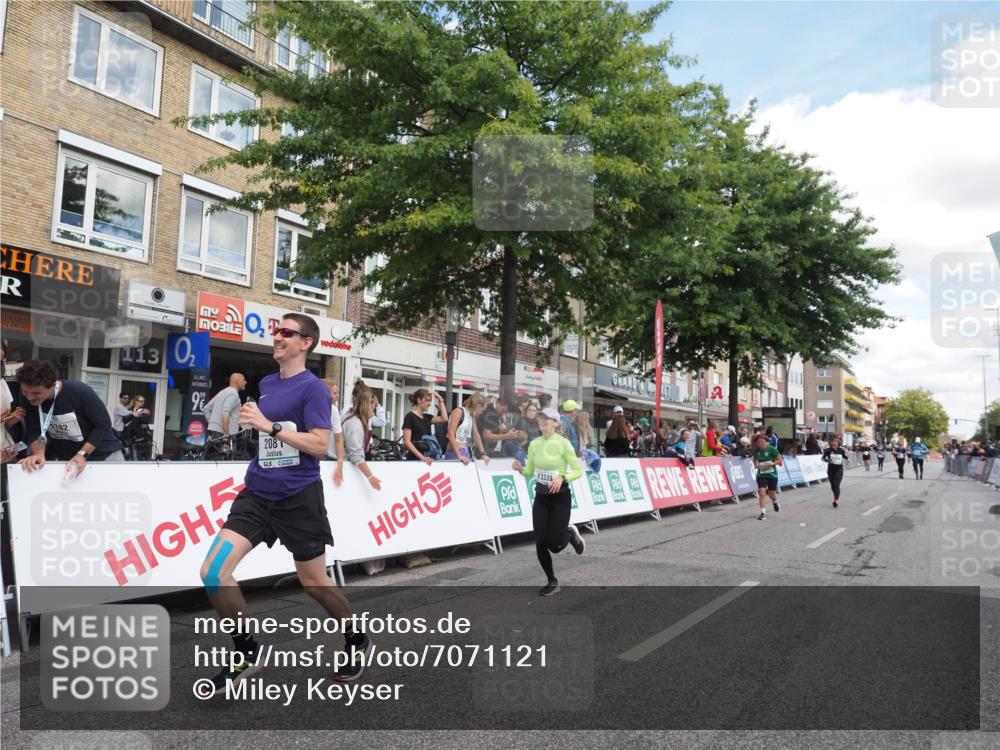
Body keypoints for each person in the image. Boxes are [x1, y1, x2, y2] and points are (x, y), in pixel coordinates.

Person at [198, 314, 370, 694]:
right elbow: (267, 434)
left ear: (306, 343)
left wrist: (270, 426)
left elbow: (317, 445)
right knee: (213, 572)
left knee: (314, 583)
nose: (277, 337)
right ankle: (246, 651)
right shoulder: (268, 383)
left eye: (286, 332)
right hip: (258, 493)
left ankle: (356, 638)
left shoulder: (314, 389)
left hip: (298, 498)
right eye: (276, 331)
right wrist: (254, 425)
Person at [511, 407, 586, 596]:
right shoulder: (535, 444)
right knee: (540, 541)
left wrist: (562, 478)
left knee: (555, 545)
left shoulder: (563, 444)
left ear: (556, 423)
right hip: (541, 497)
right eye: (541, 418)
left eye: (547, 419)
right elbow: (530, 471)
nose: (543, 421)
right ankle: (552, 581)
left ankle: (570, 534)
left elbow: (578, 471)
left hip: (560, 497)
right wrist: (521, 469)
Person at [16, 359, 124, 473]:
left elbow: (103, 425)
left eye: (36, 393)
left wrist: (82, 454)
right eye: (25, 392)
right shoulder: (27, 397)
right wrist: (38, 454)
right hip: (67, 459)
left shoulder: (79, 391)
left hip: (104, 455)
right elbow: (34, 429)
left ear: (53, 384)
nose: (29, 397)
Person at [343, 383, 383, 490]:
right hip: (345, 469)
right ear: (368, 404)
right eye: (375, 404)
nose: (375, 408)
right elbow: (355, 453)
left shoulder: (357, 419)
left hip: (346, 467)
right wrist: (371, 477)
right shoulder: (355, 423)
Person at [402, 389, 449, 464]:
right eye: (427, 400)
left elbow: (444, 418)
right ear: (419, 400)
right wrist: (422, 457)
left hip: (427, 457)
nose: (429, 403)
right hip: (415, 459)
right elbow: (407, 442)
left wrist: (441, 400)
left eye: (430, 401)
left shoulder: (427, 417)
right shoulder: (410, 417)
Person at [445, 392, 490, 465]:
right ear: (478, 406)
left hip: (465, 451)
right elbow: (450, 434)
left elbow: (476, 435)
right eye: (482, 410)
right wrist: (459, 455)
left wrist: (483, 454)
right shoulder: (459, 412)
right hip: (455, 451)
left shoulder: (471, 415)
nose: (481, 413)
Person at [204, 373, 247, 439]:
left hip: (216, 431)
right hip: (228, 433)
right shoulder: (234, 394)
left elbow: (206, 408)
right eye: (243, 380)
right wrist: (226, 434)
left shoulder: (223, 392)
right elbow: (225, 411)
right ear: (237, 381)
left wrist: (214, 424)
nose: (245, 382)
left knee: (217, 449)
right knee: (229, 449)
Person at [752, 433, 783, 520]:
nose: (760, 443)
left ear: (767, 442)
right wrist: (756, 465)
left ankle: (775, 502)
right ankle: (763, 512)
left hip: (772, 474)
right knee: (761, 492)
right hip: (761, 474)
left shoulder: (772, 449)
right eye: (758, 442)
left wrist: (772, 463)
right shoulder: (757, 450)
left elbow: (780, 461)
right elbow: (754, 459)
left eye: (762, 441)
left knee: (771, 493)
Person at [322, 379, 346, 487]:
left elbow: (339, 438)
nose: (338, 396)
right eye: (335, 393)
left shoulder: (333, 410)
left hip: (327, 458)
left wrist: (340, 464)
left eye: (338, 393)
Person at [822, 436, 848, 508]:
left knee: (836, 484)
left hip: (839, 470)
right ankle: (835, 495)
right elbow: (822, 458)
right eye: (832, 445)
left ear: (838, 445)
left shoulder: (841, 450)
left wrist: (848, 459)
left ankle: (836, 500)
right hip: (830, 470)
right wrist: (827, 460)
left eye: (835, 445)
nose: (833, 446)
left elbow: (845, 456)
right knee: (832, 486)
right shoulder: (827, 450)